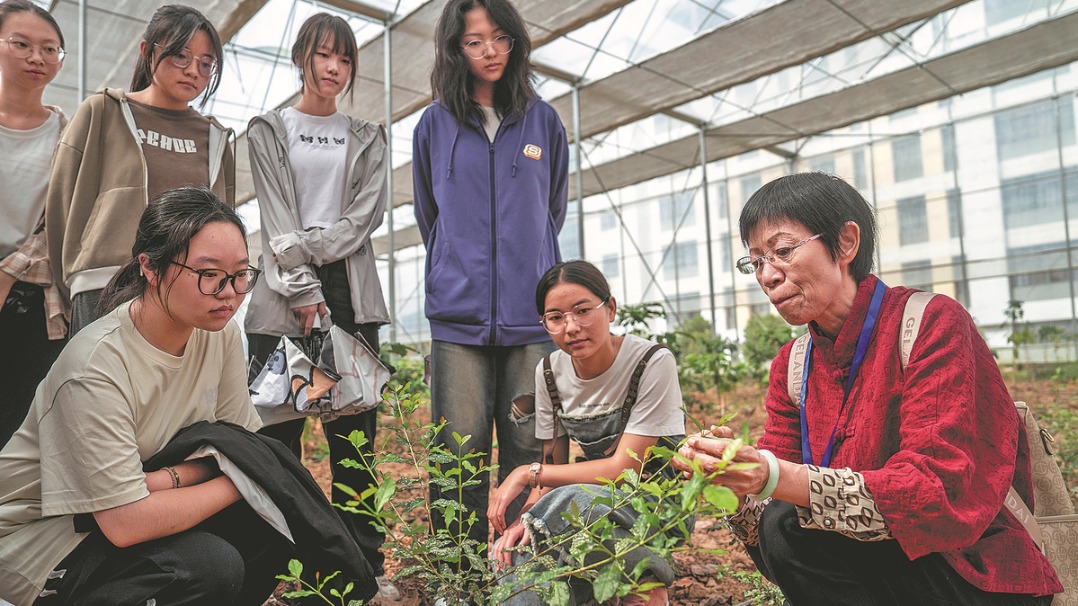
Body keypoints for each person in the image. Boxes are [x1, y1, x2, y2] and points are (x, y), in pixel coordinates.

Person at [673, 172, 1062, 605]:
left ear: (846, 243)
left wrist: (776, 476)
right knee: (782, 524)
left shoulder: (930, 322)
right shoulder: (793, 365)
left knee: (789, 522)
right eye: (755, 261)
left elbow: (934, 492)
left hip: (967, 569)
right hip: (872, 563)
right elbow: (774, 504)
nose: (767, 275)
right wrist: (733, 472)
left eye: (781, 251)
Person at [0, 188, 289, 606]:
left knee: (273, 529)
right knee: (207, 566)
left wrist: (166, 480)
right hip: (39, 542)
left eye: (241, 273)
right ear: (151, 269)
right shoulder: (96, 367)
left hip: (127, 506)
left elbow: (238, 446)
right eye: (210, 274)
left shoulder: (221, 335)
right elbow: (125, 523)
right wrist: (255, 482)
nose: (230, 292)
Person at [244, 12, 398, 600]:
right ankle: (280, 571)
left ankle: (362, 571)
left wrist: (302, 248)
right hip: (283, 300)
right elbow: (275, 213)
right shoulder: (268, 128)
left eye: (345, 59)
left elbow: (363, 221)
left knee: (353, 446)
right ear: (301, 58)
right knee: (279, 447)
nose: (334, 68)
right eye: (323, 55)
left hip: (350, 300)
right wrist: (304, 286)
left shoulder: (368, 136)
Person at [412, 0, 569, 549]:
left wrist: (530, 270)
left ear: (515, 42)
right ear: (456, 49)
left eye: (500, 37)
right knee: (458, 453)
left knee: (530, 448)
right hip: (458, 320)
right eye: (475, 41)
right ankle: (458, 572)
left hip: (530, 319)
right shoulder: (434, 124)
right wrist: (455, 266)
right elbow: (429, 216)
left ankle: (523, 570)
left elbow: (551, 209)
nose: (490, 51)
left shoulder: (543, 120)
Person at [487, 260, 686, 606]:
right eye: (555, 317)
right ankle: (625, 587)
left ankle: (647, 580)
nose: (571, 327)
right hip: (589, 503)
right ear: (544, 324)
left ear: (610, 308)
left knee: (577, 500)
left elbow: (625, 469)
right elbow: (552, 468)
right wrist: (525, 521)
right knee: (512, 554)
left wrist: (525, 474)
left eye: (582, 311)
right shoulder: (549, 370)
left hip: (658, 505)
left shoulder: (652, 360)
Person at [46, 3, 233, 336]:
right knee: (102, 387)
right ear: (148, 51)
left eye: (207, 64)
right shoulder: (103, 111)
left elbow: (224, 222)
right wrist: (75, 278)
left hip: (187, 291)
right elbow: (61, 204)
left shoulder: (216, 137)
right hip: (104, 283)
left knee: (176, 388)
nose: (193, 71)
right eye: (181, 56)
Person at [0, 0, 66, 449]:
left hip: (31, 294)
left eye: (50, 49)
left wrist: (7, 273)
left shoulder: (68, 133)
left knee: (15, 423)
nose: (36, 58)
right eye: (21, 44)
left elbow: (65, 219)